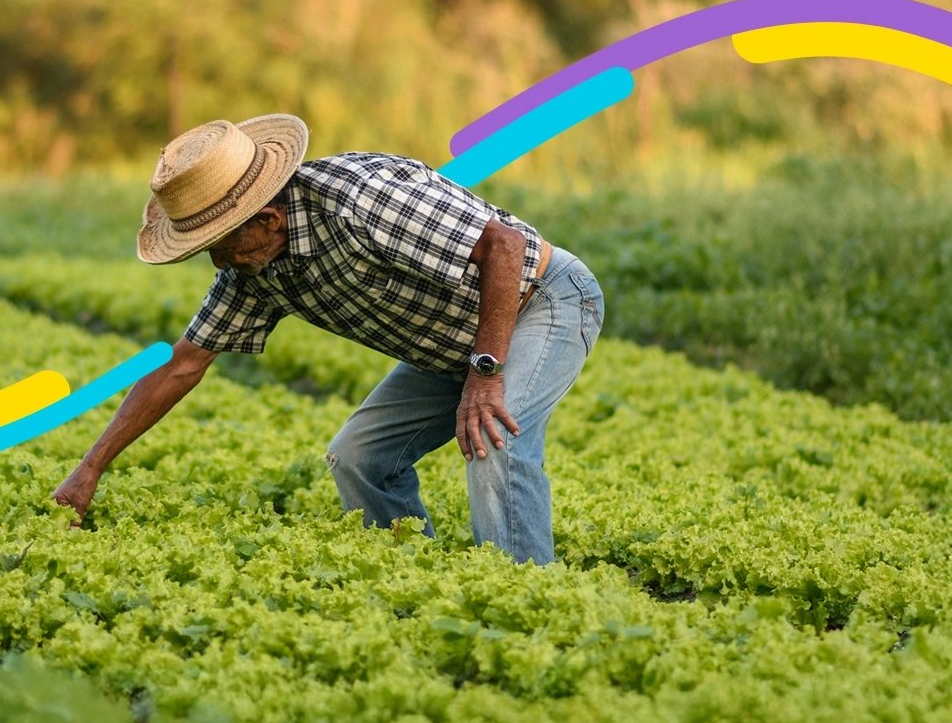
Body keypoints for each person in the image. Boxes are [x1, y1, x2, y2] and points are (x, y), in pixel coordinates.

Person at [53, 114, 603, 564]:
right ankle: (414, 574)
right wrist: (91, 467)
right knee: (359, 457)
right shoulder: (253, 268)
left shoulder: (362, 200)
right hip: (447, 339)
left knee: (493, 441)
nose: (218, 262)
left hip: (541, 299)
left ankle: (525, 596)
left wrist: (485, 374)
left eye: (221, 244)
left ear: (266, 219)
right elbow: (183, 363)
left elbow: (504, 246)